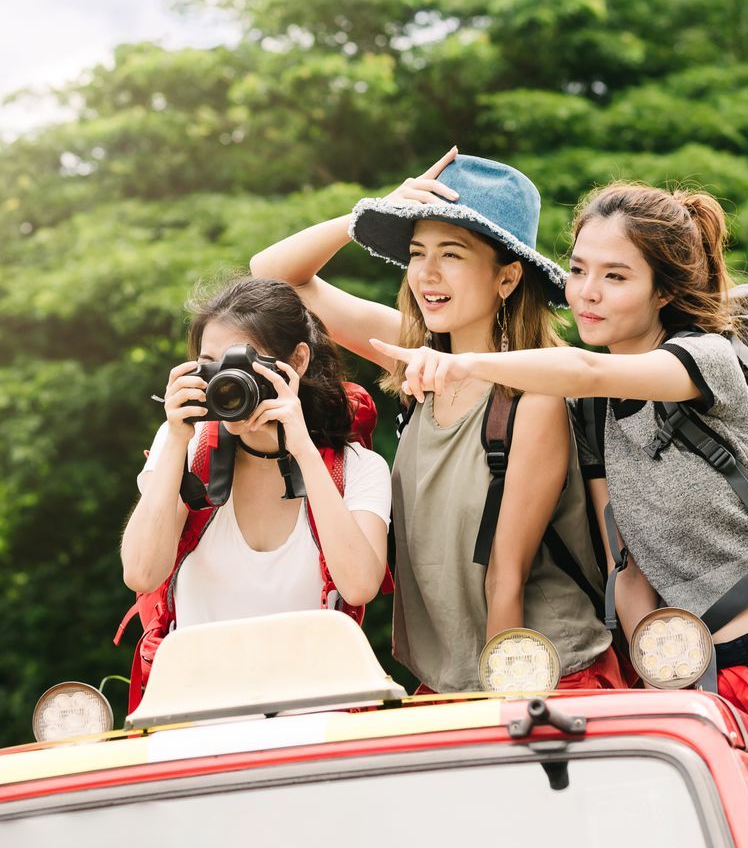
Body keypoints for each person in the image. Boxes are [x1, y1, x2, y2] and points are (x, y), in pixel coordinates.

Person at [370, 182, 748, 810]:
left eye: (615, 276)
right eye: (577, 271)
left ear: (663, 291)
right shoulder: (598, 411)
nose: (587, 293)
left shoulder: (709, 360)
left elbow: (584, 368)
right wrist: (666, 683)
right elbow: (624, 565)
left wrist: (467, 364)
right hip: (691, 678)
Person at [250, 151, 620, 694]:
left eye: (452, 253)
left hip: (535, 676)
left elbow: (505, 577)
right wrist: (369, 212)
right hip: (450, 685)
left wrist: (502, 710)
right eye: (417, 252)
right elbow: (274, 278)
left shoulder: (533, 395)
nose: (427, 273)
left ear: (508, 277)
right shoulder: (411, 357)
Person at [118, 278, 391, 703]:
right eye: (211, 365)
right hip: (194, 715)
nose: (228, 383)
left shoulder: (357, 470)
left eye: (244, 365)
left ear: (297, 361)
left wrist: (301, 446)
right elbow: (140, 572)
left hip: (316, 717)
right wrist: (174, 437)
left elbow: (358, 586)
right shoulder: (187, 453)